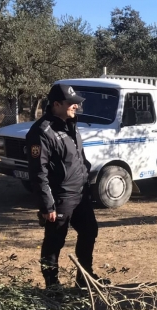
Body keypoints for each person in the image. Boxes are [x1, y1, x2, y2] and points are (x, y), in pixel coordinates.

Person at [27, 83, 109, 289]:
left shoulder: (70, 124)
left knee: (90, 230)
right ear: (56, 104)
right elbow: (38, 172)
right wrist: (47, 205)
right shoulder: (42, 132)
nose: (76, 107)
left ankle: (85, 278)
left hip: (80, 194)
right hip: (60, 197)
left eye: (77, 103)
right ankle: (52, 285)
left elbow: (79, 159)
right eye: (71, 103)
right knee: (55, 242)